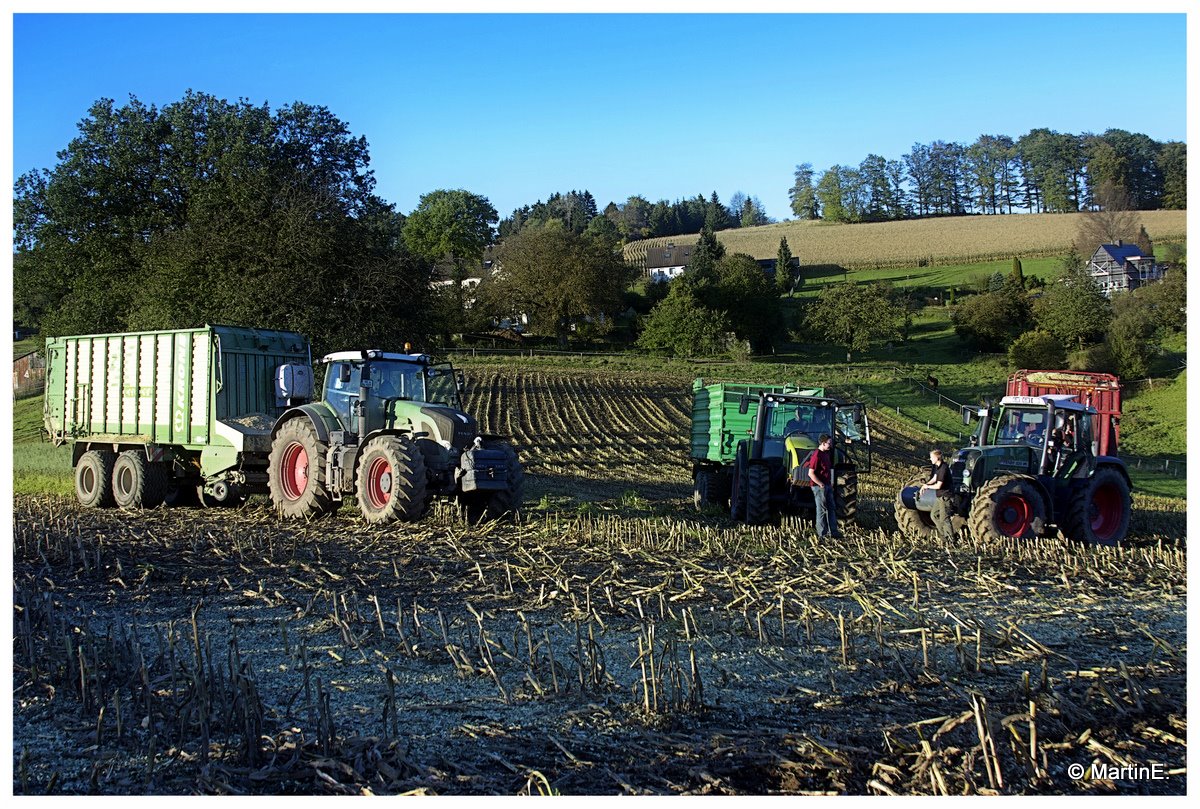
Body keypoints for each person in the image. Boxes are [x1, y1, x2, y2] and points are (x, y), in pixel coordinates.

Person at [804, 433, 843, 540]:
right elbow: (811, 473)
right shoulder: (816, 455)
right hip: (819, 487)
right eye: (829, 443)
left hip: (827, 485)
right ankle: (822, 534)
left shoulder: (826, 454)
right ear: (823, 443)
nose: (830, 445)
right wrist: (820, 484)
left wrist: (829, 484)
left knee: (831, 508)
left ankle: (833, 532)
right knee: (821, 510)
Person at [920, 449, 956, 541]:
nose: (930, 459)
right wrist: (925, 485)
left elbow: (938, 485)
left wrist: (927, 486)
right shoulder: (938, 467)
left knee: (945, 518)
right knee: (934, 515)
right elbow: (934, 478)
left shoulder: (944, 468)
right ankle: (944, 536)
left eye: (932, 457)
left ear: (937, 457)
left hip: (946, 496)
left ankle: (951, 540)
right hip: (940, 496)